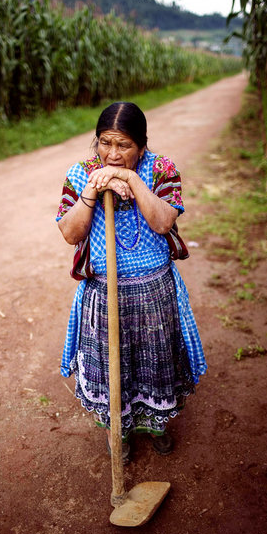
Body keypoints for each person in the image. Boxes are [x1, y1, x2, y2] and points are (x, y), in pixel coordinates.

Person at [56, 102, 207, 464]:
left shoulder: (161, 169)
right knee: (112, 369)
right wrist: (93, 191)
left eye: (123, 145)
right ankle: (117, 433)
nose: (113, 153)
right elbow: (69, 232)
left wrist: (132, 180)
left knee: (155, 365)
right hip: (103, 295)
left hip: (154, 291)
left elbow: (162, 223)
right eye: (105, 143)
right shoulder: (81, 174)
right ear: (96, 142)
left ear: (141, 145)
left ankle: (156, 425)